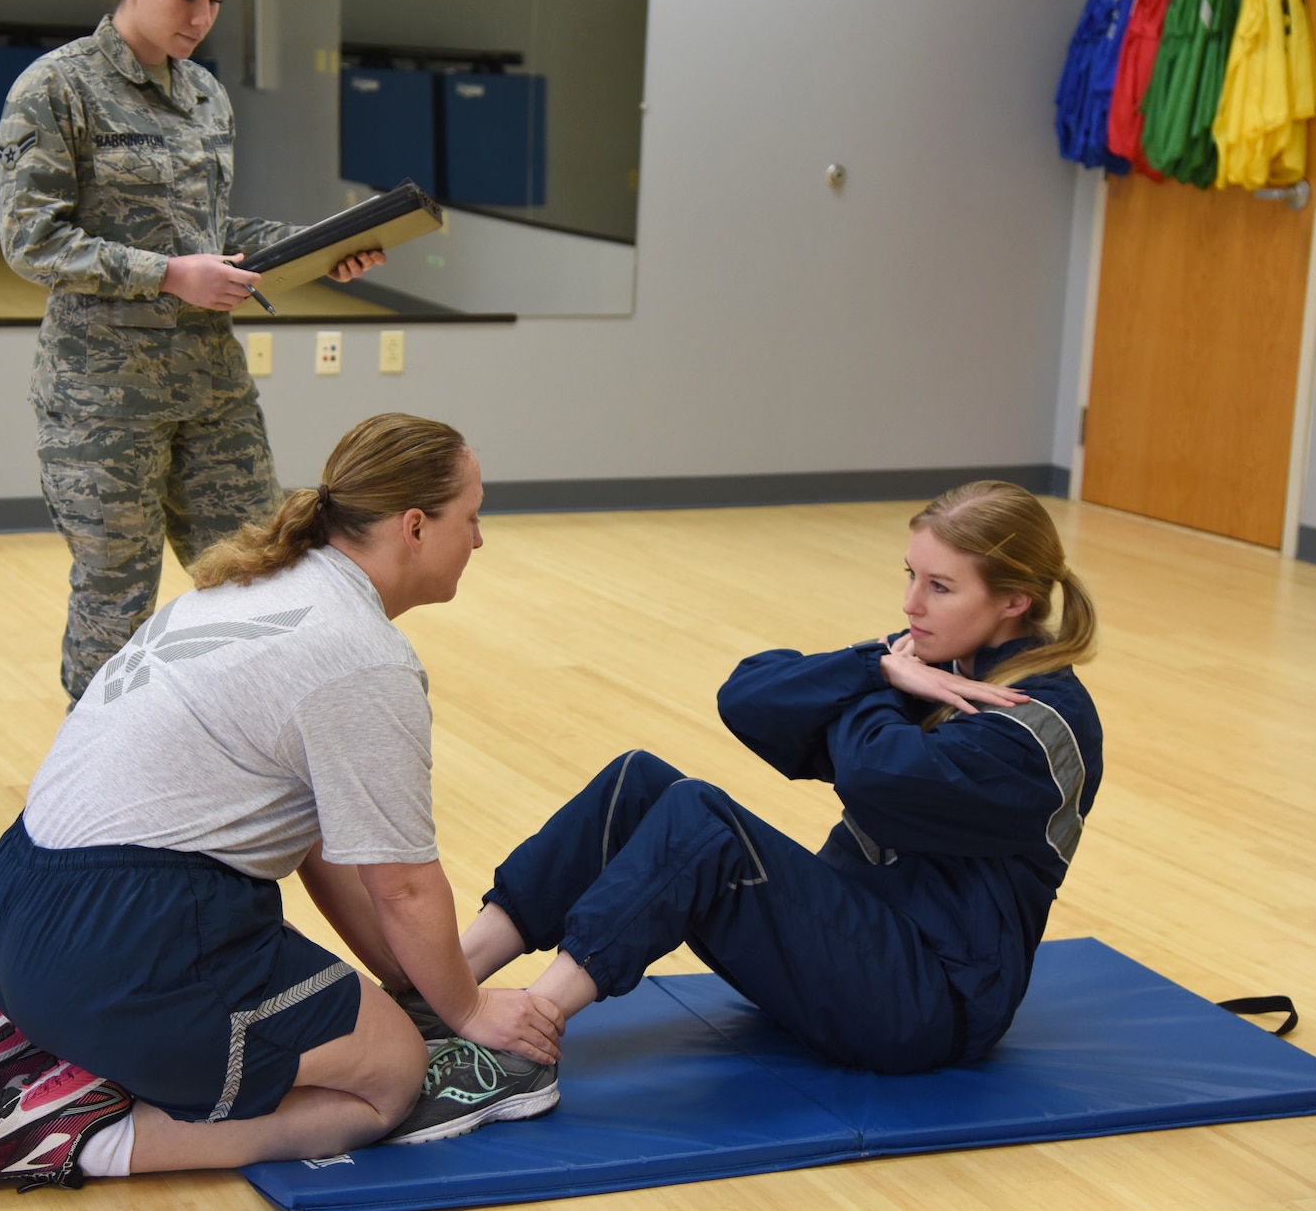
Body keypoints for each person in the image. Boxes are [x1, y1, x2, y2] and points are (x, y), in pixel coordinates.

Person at [0, 414, 564, 1190]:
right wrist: (469, 1012)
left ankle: (47, 1038)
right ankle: (78, 1133)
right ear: (414, 526)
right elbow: (402, 886)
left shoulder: (257, 584)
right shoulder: (364, 659)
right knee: (388, 1078)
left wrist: (409, 983)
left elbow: (315, 840)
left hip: (15, 909)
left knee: (376, 1016)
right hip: (123, 942)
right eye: (470, 516)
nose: (478, 539)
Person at [403, 481, 1103, 1139]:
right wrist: (875, 669)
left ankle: (530, 1034)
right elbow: (747, 697)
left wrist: (879, 687)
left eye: (939, 586)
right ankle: (443, 986)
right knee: (639, 781)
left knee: (701, 820)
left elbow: (875, 777)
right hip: (855, 950)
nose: (911, 605)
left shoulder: (1034, 727)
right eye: (911, 575)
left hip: (926, 1004)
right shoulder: (943, 663)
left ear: (1014, 600)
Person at [0, 0, 383, 703]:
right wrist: (171, 274)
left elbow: (209, 228)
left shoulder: (207, 96)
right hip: (102, 395)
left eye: (216, 0)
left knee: (264, 572)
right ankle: (92, 788)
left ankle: (245, 764)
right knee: (116, 595)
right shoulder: (55, 89)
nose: (203, 16)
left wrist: (314, 248)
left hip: (210, 383)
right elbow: (31, 239)